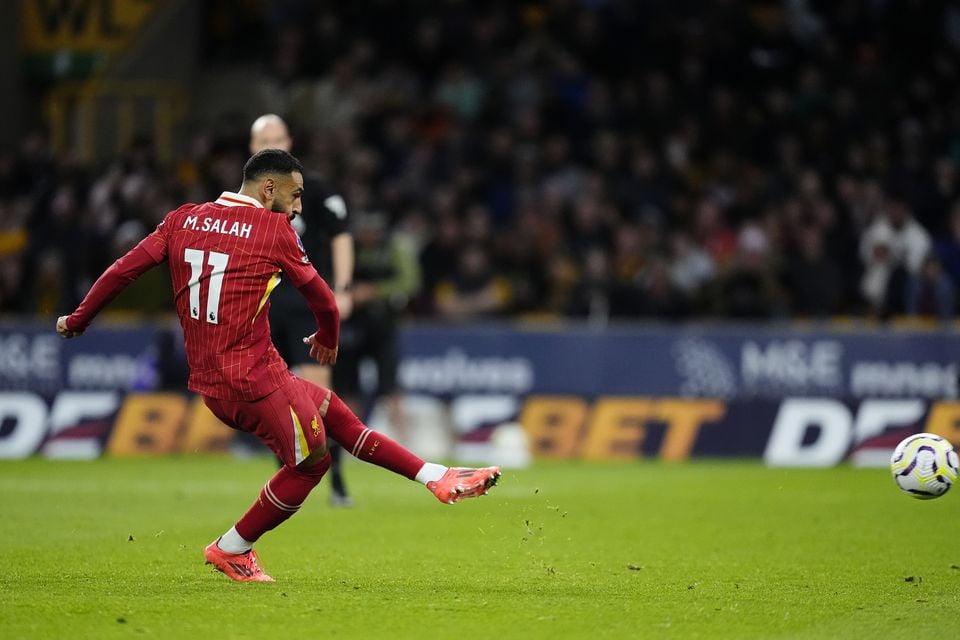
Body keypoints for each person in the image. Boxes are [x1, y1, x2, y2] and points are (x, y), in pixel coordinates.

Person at [56, 149, 501, 582]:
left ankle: (436, 477)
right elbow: (325, 301)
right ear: (269, 188)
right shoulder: (272, 231)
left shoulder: (182, 219)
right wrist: (327, 341)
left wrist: (79, 320)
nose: (298, 206)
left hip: (220, 379)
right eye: (296, 195)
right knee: (311, 464)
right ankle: (231, 548)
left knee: (336, 414)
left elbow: (121, 271)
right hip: (251, 381)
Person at [249, 114, 356, 506]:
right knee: (265, 395)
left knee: (318, 397)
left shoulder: (314, 187)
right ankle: (288, 475)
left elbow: (342, 235)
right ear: (252, 148)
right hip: (258, 303)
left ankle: (338, 480)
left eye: (277, 138)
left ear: (289, 141)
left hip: (302, 303)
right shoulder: (244, 197)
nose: (271, 145)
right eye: (264, 139)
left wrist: (341, 288)